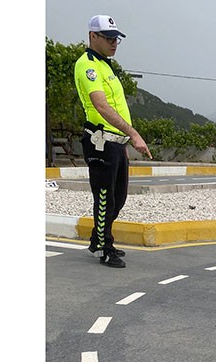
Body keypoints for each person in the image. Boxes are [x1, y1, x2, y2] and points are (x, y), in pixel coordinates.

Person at [74, 14, 153, 268]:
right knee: (105, 197)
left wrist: (124, 142)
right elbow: (101, 106)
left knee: (118, 198)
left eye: (116, 38)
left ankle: (100, 239)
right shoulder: (87, 65)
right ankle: (104, 248)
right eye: (108, 38)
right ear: (92, 36)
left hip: (115, 143)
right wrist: (134, 134)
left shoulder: (107, 66)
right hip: (100, 141)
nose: (114, 43)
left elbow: (118, 107)